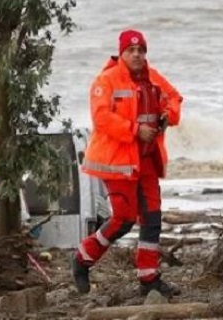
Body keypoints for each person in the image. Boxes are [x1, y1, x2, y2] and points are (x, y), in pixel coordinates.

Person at [71, 29, 183, 296]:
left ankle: (149, 279)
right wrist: (135, 130)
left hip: (146, 161)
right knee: (123, 219)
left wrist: (168, 115)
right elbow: (101, 118)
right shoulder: (106, 80)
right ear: (121, 53)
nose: (136, 54)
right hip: (117, 162)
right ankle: (82, 258)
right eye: (131, 50)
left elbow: (175, 99)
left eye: (141, 50)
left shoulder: (153, 77)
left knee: (152, 218)